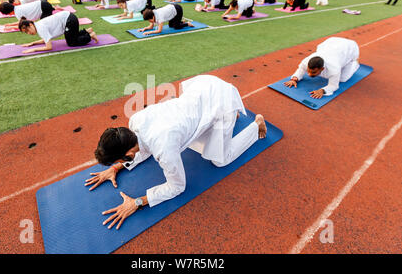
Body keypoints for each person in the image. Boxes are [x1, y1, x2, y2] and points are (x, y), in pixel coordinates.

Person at [86, 75, 267, 229]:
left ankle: (255, 125)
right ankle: (228, 115)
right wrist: (117, 168)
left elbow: (177, 186)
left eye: (119, 160)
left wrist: (138, 202)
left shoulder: (164, 148)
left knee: (220, 160)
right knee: (197, 142)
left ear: (127, 153)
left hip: (220, 97)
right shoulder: (134, 122)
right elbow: (142, 148)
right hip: (204, 89)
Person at [284, 37, 360, 99]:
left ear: (322, 69)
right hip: (332, 42)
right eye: (309, 71)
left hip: (348, 48)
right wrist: (294, 79)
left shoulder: (334, 68)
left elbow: (334, 86)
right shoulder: (306, 62)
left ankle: (354, 63)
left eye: (313, 72)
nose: (309, 74)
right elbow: (300, 70)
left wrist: (322, 90)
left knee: (343, 79)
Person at [18, 11, 98, 53]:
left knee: (71, 42)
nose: (29, 33)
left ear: (30, 25)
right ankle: (87, 31)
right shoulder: (37, 25)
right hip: (69, 18)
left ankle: (90, 36)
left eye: (27, 30)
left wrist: (34, 50)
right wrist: (33, 43)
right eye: (26, 32)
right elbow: (46, 40)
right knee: (71, 35)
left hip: (70, 20)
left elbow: (49, 47)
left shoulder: (40, 28)